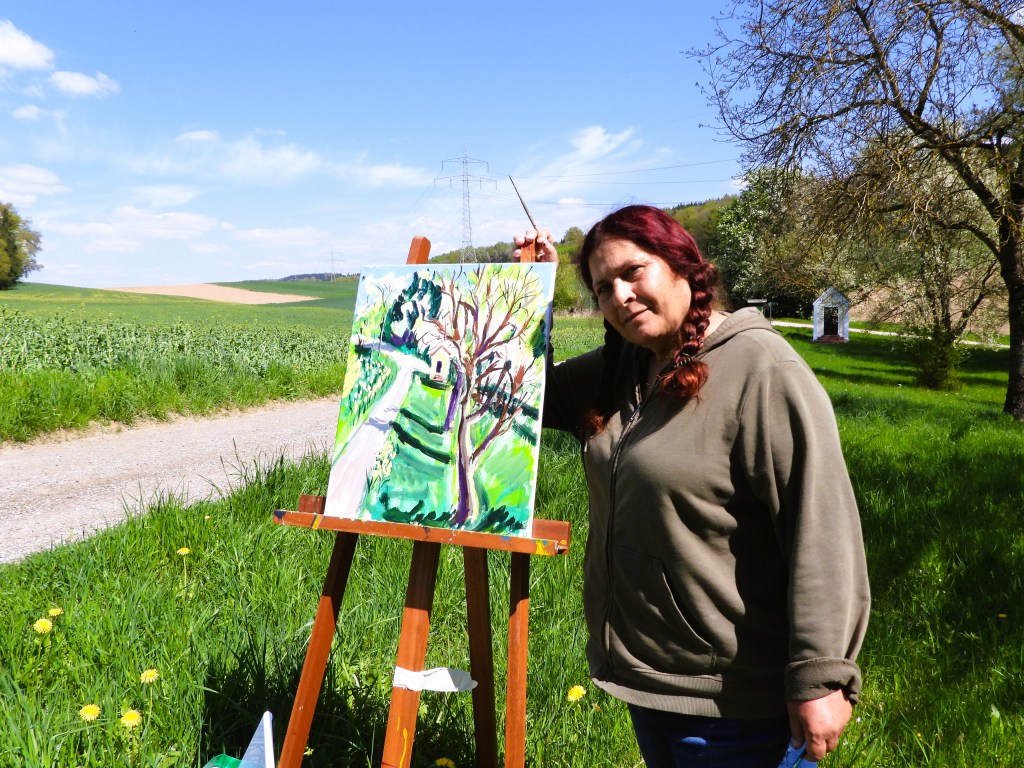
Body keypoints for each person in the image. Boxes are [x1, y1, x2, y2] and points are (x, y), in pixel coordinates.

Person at [514, 205, 870, 768]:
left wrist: (822, 676)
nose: (621, 295)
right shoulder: (626, 366)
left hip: (734, 704)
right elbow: (522, 395)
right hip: (652, 681)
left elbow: (821, 529)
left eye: (634, 272)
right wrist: (528, 290)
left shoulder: (762, 369)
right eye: (604, 288)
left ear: (683, 265)